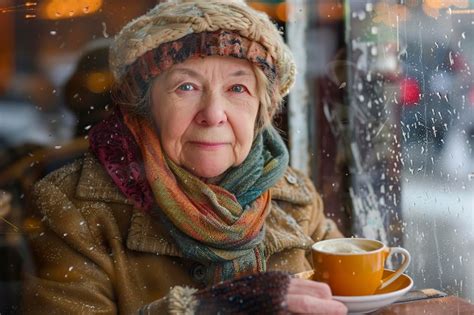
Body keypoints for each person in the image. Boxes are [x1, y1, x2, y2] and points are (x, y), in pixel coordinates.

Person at [22, 1, 347, 314]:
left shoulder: (296, 198)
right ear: (145, 108)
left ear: (262, 111)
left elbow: (353, 293)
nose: (213, 114)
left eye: (237, 89)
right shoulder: (71, 209)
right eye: (187, 87)